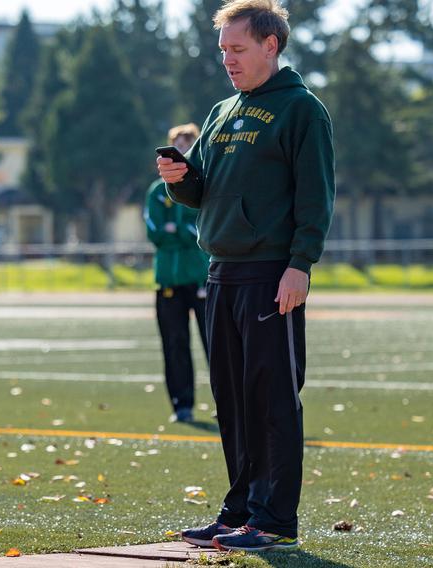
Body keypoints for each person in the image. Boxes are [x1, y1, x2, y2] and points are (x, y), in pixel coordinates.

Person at [158, 0, 335, 553]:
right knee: (231, 398)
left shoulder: (302, 110)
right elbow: (201, 193)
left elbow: (315, 197)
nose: (228, 61)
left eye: (237, 49)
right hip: (222, 271)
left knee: (272, 397)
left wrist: (299, 265)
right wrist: (180, 180)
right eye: (223, 52)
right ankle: (238, 510)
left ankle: (275, 519)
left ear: (270, 45)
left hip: (271, 274)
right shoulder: (221, 110)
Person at [144, 123, 209, 424]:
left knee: (218, 346)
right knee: (174, 345)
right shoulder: (157, 191)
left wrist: (178, 228)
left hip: (202, 278)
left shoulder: (205, 185)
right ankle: (182, 405)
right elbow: (156, 232)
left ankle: (231, 402)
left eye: (189, 143)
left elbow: (198, 230)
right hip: (169, 281)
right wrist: (178, 230)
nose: (182, 148)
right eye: (177, 143)